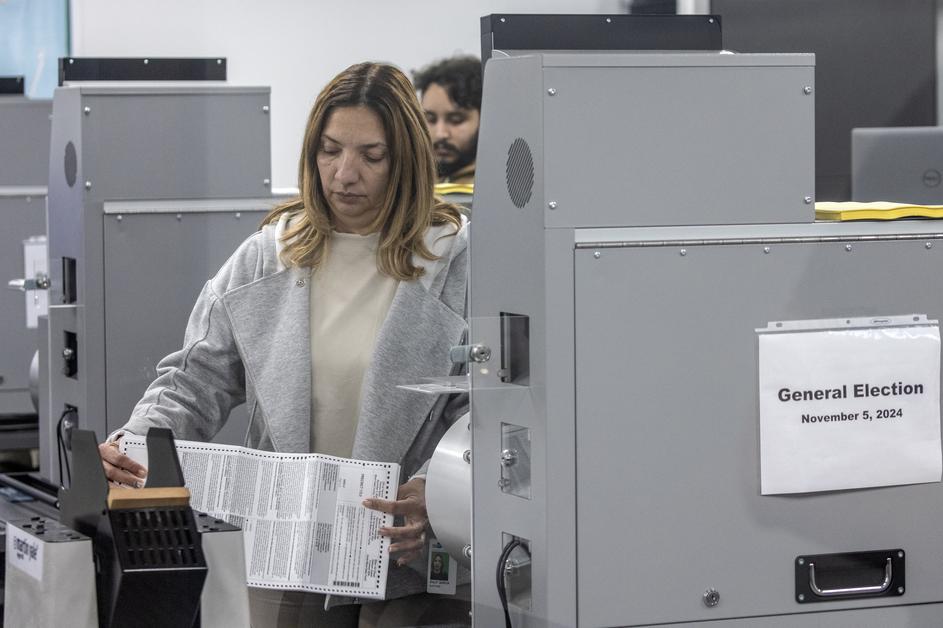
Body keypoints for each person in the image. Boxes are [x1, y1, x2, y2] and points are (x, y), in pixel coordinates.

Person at [97, 61, 469, 628]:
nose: (344, 174)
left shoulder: (456, 258)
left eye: (372, 156)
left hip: (408, 556)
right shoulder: (269, 255)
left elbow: (491, 409)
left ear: (408, 161)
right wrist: (135, 444)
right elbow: (194, 381)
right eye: (329, 151)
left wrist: (440, 492)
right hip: (290, 552)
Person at [413, 56, 481, 185]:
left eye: (456, 120)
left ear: (484, 119)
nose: (441, 134)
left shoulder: (500, 185)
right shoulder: (409, 182)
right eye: (430, 119)